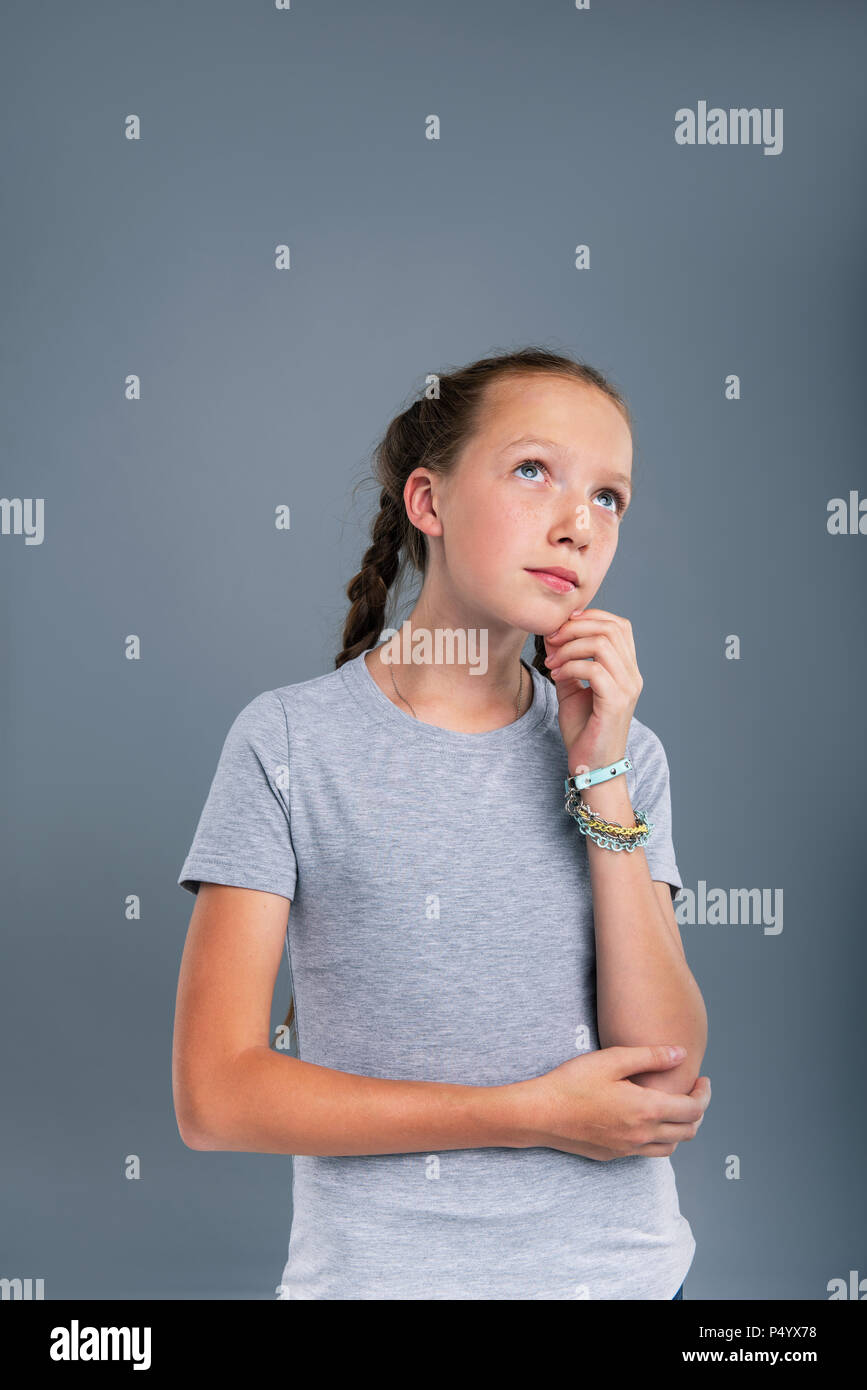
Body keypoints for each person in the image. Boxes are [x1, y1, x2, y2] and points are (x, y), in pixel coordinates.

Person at [172, 346, 710, 1300]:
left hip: (623, 1280)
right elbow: (216, 1096)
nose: (577, 526)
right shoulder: (288, 741)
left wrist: (602, 778)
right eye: (533, 470)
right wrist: (525, 1114)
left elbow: (663, 1079)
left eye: (608, 498)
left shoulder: (628, 754)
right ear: (428, 503)